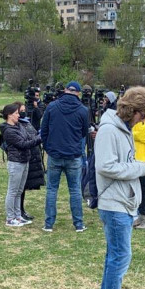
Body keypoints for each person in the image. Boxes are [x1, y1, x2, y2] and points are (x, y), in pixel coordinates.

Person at [95, 87, 145, 289]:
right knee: (119, 258)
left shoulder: (122, 129)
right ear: (134, 110)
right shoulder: (110, 130)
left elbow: (122, 162)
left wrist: (141, 166)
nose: (144, 120)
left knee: (116, 257)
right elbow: (106, 166)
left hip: (123, 202)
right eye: (143, 115)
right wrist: (140, 169)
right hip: (114, 204)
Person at [40, 81, 90, 232]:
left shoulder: (52, 106)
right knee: (74, 190)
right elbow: (84, 132)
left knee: (52, 189)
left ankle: (49, 224)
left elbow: (44, 130)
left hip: (55, 154)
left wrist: (48, 147)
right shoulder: (83, 110)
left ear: (66, 90)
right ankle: (78, 224)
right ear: (78, 93)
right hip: (73, 155)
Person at [1, 103, 42, 227]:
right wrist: (40, 138)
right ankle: (10, 218)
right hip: (16, 163)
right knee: (12, 191)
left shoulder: (19, 126)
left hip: (25, 161)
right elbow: (23, 144)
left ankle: (18, 216)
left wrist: (37, 136)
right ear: (9, 115)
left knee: (19, 191)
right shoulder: (8, 130)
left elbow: (30, 137)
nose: (19, 115)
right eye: (16, 113)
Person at [19, 102, 45, 222]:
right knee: (19, 188)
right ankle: (18, 210)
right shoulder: (15, 125)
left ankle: (21, 209)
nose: (23, 112)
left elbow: (33, 134)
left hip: (31, 157)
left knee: (24, 187)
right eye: (21, 110)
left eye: (24, 110)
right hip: (21, 159)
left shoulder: (27, 122)